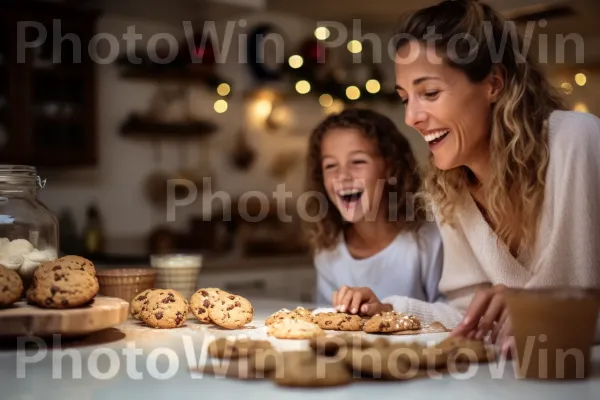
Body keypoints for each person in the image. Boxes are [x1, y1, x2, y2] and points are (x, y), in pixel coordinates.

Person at [336, 0, 600, 347]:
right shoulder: (450, 188)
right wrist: (389, 311)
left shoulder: (577, 142)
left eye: (429, 93)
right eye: (405, 98)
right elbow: (470, 315)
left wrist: (534, 311)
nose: (411, 117)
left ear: (493, 84)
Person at [303, 108, 444, 312]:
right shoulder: (329, 252)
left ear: (390, 168)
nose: (342, 176)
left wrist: (387, 310)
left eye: (358, 161)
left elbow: (457, 314)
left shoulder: (429, 239)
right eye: (330, 165)